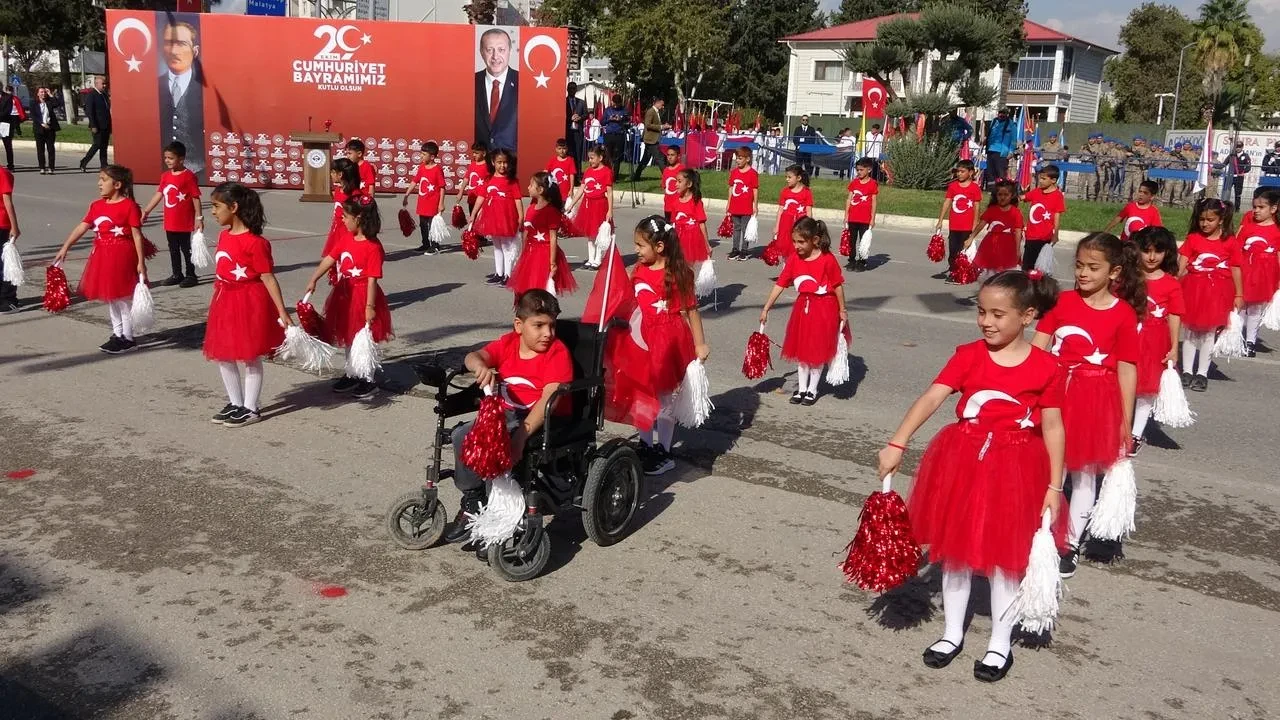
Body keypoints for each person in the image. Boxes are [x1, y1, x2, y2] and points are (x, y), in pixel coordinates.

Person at [880, 269, 1064, 683]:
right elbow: (932, 396)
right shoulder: (968, 354)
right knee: (956, 552)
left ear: (1028, 316)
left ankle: (1000, 641)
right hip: (962, 459)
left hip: (1017, 466)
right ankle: (951, 634)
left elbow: (1053, 427)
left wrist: (1054, 484)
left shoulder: (1047, 367)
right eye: (981, 312)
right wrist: (898, 442)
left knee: (1005, 559)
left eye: (998, 314)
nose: (987, 321)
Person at [1031, 233, 1141, 578]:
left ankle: (1070, 543)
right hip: (1055, 394)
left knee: (1084, 476)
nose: (1083, 273)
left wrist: (1125, 421)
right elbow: (1037, 348)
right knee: (1051, 470)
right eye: (1079, 265)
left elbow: (1126, 369)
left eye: (1093, 267)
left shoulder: (1123, 314)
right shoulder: (1061, 303)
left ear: (1115, 272)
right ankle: (1043, 533)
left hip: (1096, 400)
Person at [444, 289, 573, 545]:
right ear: (519, 325)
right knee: (462, 435)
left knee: (500, 441)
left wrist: (521, 437)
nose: (548, 333)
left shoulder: (557, 353)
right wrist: (480, 365)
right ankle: (473, 498)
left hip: (542, 418)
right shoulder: (508, 344)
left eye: (552, 325)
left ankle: (502, 513)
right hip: (507, 413)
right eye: (539, 325)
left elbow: (550, 397)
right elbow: (473, 356)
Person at [603, 216, 710, 476]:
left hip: (667, 341)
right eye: (636, 245)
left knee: (663, 397)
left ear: (659, 246)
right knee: (641, 392)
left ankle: (663, 450)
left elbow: (691, 310)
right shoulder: (638, 270)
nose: (636, 250)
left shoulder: (679, 273)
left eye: (641, 245)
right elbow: (627, 299)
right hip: (639, 340)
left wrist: (700, 344)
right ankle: (645, 443)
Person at [201, 183, 290, 427]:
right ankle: (235, 402)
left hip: (249, 301)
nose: (213, 212)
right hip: (225, 300)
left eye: (216, 206)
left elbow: (268, 277)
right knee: (223, 354)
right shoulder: (224, 235)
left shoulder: (256, 243)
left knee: (249, 355)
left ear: (234, 207)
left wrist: (282, 311)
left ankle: (251, 408)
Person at [305, 195, 393, 399]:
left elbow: (372, 280)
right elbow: (330, 258)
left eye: (345, 216)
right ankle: (352, 373)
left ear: (359, 218)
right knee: (347, 335)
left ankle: (368, 379)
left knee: (364, 338)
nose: (342, 220)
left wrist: (370, 306)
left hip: (363, 295)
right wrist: (314, 278)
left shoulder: (373, 246)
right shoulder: (345, 237)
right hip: (344, 293)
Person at [53, 165, 147, 354]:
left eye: (103, 180)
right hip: (102, 256)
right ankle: (117, 333)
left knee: (122, 298)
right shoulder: (97, 206)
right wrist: (66, 246)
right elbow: (82, 227)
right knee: (110, 297)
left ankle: (128, 338)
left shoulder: (129, 206)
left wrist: (140, 262)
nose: (99, 184)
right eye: (99, 179)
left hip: (122, 256)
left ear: (117, 184)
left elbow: (137, 236)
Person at [758, 217, 849, 405]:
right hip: (803, 307)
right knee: (802, 349)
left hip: (825, 308)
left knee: (816, 350)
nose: (796, 246)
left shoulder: (827, 259)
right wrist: (766, 307)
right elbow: (780, 284)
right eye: (794, 241)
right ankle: (801, 389)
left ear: (814, 240)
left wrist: (842, 309)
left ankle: (812, 389)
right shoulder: (793, 260)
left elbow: (838, 285)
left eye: (801, 242)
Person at [1130, 227, 1185, 455]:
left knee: (1147, 389)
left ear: (1167, 253)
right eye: (1146, 251)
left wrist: (1174, 347)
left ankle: (1135, 434)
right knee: (1123, 382)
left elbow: (1174, 315)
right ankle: (1117, 426)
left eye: (1158, 251)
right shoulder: (1128, 279)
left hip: (1155, 341)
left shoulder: (1171, 284)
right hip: (1129, 337)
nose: (1152, 257)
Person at [1178, 199, 1242, 392]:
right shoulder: (1193, 238)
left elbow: (1236, 268)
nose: (1205, 224)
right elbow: (1182, 264)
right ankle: (1187, 371)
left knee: (1208, 334)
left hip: (1218, 292)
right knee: (1189, 332)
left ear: (1221, 220)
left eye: (1210, 220)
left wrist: (1239, 293)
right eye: (1202, 219)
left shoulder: (1230, 241)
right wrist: (1173, 283)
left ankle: (1202, 373)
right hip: (1193, 290)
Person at [141, 141, 203, 288]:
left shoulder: (188, 176)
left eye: (171, 158)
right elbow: (159, 194)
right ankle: (177, 274)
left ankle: (191, 275)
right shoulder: (165, 176)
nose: (167, 161)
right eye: (166, 158)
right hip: (170, 221)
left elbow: (195, 197)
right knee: (173, 248)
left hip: (184, 221)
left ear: (181, 159)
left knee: (186, 248)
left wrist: (199, 218)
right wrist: (146, 210)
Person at [508, 171, 576, 298]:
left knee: (541, 287)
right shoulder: (531, 208)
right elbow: (526, 232)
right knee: (527, 286)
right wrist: (523, 253)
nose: (528, 187)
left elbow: (553, 237)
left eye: (531, 185)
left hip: (544, 254)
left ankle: (541, 311)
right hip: (530, 252)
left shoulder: (551, 212)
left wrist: (552, 263)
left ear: (540, 190)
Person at [158, 21, 206, 177]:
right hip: (162, 170)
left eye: (181, 44)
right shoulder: (153, 86)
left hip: (197, 170)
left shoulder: (205, 89)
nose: (174, 51)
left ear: (195, 51)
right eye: (169, 44)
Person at [470, 148, 524, 286]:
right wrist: (473, 214)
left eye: (505, 163)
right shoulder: (488, 179)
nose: (502, 165)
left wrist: (521, 216)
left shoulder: (512, 181)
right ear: (493, 162)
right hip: (493, 217)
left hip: (507, 217)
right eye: (499, 162)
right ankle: (499, 273)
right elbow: (481, 197)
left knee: (507, 247)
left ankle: (508, 275)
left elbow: (518, 199)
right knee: (497, 246)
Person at [1239, 190, 1280, 356]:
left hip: (1263, 275)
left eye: (1261, 207)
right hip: (1245, 271)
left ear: (1273, 209)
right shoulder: (1247, 228)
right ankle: (1236, 339)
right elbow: (1236, 250)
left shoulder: (1277, 231)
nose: (1256, 210)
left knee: (1255, 309)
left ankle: (1251, 342)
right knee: (1240, 306)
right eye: (1254, 207)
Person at [565, 145, 613, 269]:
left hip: (600, 205)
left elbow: (610, 192)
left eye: (592, 158)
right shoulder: (588, 171)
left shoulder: (606, 172)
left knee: (598, 234)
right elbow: (581, 189)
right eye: (589, 158)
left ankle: (598, 259)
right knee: (590, 234)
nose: (590, 161)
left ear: (600, 158)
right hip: (588, 205)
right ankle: (590, 259)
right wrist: (571, 205)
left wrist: (610, 210)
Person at [965, 179, 1023, 278]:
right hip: (991, 243)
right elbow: (981, 224)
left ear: (1012, 196)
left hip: (1008, 244)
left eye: (1006, 195)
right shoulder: (992, 210)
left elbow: (1018, 232)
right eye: (1000, 195)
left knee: (1005, 270)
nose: (1002, 197)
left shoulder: (1016, 212)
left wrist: (1018, 250)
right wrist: (971, 237)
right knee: (990, 270)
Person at [474, 28, 519, 153]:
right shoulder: (470, 82)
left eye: (501, 50)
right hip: (479, 161)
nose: (495, 56)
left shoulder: (524, 82)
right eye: (489, 50)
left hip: (512, 162)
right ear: (482, 52)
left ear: (509, 51)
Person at [937, 160, 982, 282]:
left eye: (962, 171)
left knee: (964, 251)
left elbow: (976, 207)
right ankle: (953, 271)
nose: (959, 174)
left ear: (971, 172)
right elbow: (947, 202)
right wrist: (940, 220)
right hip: (954, 226)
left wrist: (975, 224)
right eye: (958, 171)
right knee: (953, 250)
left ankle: (962, 273)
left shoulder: (975, 188)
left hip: (967, 227)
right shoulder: (953, 186)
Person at [321, 158, 362, 284]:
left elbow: (359, 217)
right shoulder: (338, 191)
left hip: (347, 234)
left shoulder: (355, 195)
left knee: (346, 265)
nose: (331, 175)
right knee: (336, 265)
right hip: (336, 232)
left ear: (340, 174)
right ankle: (341, 293)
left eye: (333, 172)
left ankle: (348, 293)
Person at [402, 141, 446, 254]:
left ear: (432, 157)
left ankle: (435, 246)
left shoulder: (437, 169)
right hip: (422, 202)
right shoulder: (422, 167)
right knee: (423, 224)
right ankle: (425, 243)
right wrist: (407, 194)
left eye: (424, 154)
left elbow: (442, 187)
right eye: (421, 153)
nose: (421, 156)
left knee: (433, 225)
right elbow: (415, 181)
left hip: (433, 202)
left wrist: (441, 203)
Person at [765, 164, 812, 265]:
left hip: (799, 226)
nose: (787, 179)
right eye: (786, 177)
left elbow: (809, 211)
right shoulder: (785, 191)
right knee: (785, 249)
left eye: (789, 177)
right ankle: (786, 272)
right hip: (785, 225)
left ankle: (796, 272)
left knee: (797, 248)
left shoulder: (806, 192)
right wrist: (777, 226)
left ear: (798, 178)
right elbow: (780, 210)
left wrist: (809, 227)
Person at [1021, 166, 1065, 271]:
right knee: (1027, 266)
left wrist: (1056, 234)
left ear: (1053, 180)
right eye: (1040, 178)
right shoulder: (1036, 192)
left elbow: (1057, 215)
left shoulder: (1057, 196)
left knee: (1040, 267)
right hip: (1031, 235)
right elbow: (1023, 198)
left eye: (1044, 179)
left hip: (1045, 237)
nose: (1040, 181)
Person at [671, 168, 710, 266]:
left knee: (688, 267)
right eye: (676, 181)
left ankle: (688, 281)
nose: (676, 184)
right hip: (677, 238)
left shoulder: (696, 202)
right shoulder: (675, 202)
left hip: (691, 239)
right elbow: (673, 223)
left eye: (679, 181)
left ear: (689, 184)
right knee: (676, 266)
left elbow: (702, 224)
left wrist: (707, 244)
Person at [845, 158, 878, 272]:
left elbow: (874, 201)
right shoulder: (854, 182)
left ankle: (862, 261)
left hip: (865, 218)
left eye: (861, 170)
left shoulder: (873, 184)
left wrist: (872, 218)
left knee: (863, 241)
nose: (859, 172)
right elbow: (849, 199)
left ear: (869, 170)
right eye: (857, 170)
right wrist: (846, 215)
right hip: (853, 217)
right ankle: (851, 260)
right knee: (851, 240)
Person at [727, 147, 759, 261]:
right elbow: (731, 188)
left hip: (746, 206)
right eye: (737, 158)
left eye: (740, 158)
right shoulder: (734, 172)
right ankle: (735, 249)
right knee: (736, 228)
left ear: (748, 159)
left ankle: (744, 250)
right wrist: (728, 203)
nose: (738, 161)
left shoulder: (752, 173)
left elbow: (755, 189)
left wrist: (755, 205)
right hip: (735, 205)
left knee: (745, 229)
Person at [78, 77, 112, 173]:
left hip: (106, 125)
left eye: (105, 84)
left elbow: (106, 110)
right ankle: (84, 162)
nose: (104, 85)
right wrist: (93, 125)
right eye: (103, 84)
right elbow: (89, 111)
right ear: (97, 84)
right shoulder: (92, 95)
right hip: (97, 125)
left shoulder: (104, 95)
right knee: (97, 145)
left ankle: (104, 165)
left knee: (104, 146)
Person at [631, 98, 666, 181]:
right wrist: (661, 127)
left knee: (645, 160)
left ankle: (636, 176)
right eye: (662, 104)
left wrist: (664, 127)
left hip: (652, 139)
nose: (662, 107)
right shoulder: (651, 111)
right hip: (651, 140)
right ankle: (667, 177)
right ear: (657, 103)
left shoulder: (656, 112)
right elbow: (648, 125)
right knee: (659, 158)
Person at [457, 141, 491, 220]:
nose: (474, 155)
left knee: (481, 221)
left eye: (476, 153)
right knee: (473, 219)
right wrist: (461, 192)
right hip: (472, 198)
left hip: (482, 199)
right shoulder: (472, 164)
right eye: (473, 153)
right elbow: (466, 178)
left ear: (484, 153)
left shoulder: (487, 166)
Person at [0, 166, 19, 313]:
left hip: (2, 224)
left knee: (6, 264)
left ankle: (9, 300)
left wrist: (14, 226)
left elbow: (7, 202)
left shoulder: (2, 173)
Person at [983, 108, 1015, 188]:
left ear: (1007, 114)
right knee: (990, 171)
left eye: (1004, 113)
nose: (1001, 114)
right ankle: (991, 189)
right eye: (1000, 112)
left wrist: (1011, 151)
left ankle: (1001, 188)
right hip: (990, 150)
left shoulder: (1011, 124)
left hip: (1002, 152)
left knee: (1000, 172)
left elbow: (1014, 139)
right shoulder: (994, 121)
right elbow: (990, 134)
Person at [33, 88, 60, 174]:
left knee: (51, 148)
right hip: (39, 128)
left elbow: (57, 104)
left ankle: (51, 168)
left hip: (50, 128)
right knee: (40, 149)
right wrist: (41, 123)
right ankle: (42, 167)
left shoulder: (49, 102)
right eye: (41, 92)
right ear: (37, 94)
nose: (43, 94)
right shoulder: (34, 103)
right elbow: (33, 115)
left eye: (44, 92)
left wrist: (51, 94)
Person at [602, 95, 629, 179]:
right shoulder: (608, 110)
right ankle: (606, 174)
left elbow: (628, 123)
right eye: (615, 103)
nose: (616, 105)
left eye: (618, 103)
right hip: (609, 135)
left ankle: (614, 177)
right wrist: (609, 119)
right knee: (607, 156)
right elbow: (602, 122)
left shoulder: (624, 110)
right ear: (612, 102)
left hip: (619, 135)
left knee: (617, 157)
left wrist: (621, 119)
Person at [565, 83, 587, 175]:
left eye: (573, 88)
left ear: (576, 90)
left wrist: (580, 118)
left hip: (578, 132)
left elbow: (586, 115)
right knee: (568, 154)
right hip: (567, 132)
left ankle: (578, 175)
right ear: (567, 89)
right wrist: (570, 118)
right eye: (570, 88)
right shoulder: (563, 101)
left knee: (578, 154)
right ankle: (568, 174)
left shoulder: (581, 102)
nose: (572, 90)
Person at [660, 145, 684, 221]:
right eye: (668, 155)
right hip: (668, 207)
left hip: (678, 207)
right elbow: (664, 187)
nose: (670, 157)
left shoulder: (682, 169)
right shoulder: (666, 170)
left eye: (672, 155)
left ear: (678, 156)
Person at [1227, 141, 1251, 211]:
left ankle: (1237, 208)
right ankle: (1225, 207)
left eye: (1239, 147)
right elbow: (1224, 163)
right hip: (1230, 176)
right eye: (1236, 147)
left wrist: (1243, 172)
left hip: (1239, 177)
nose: (1238, 148)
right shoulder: (1232, 155)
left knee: (1238, 193)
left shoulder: (1245, 156)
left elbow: (1248, 167)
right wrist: (1213, 166)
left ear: (1242, 147)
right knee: (1226, 192)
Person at [0, 85, 19, 171]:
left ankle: (10, 165)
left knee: (8, 146)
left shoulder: (8, 97)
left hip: (5, 124)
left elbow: (7, 111)